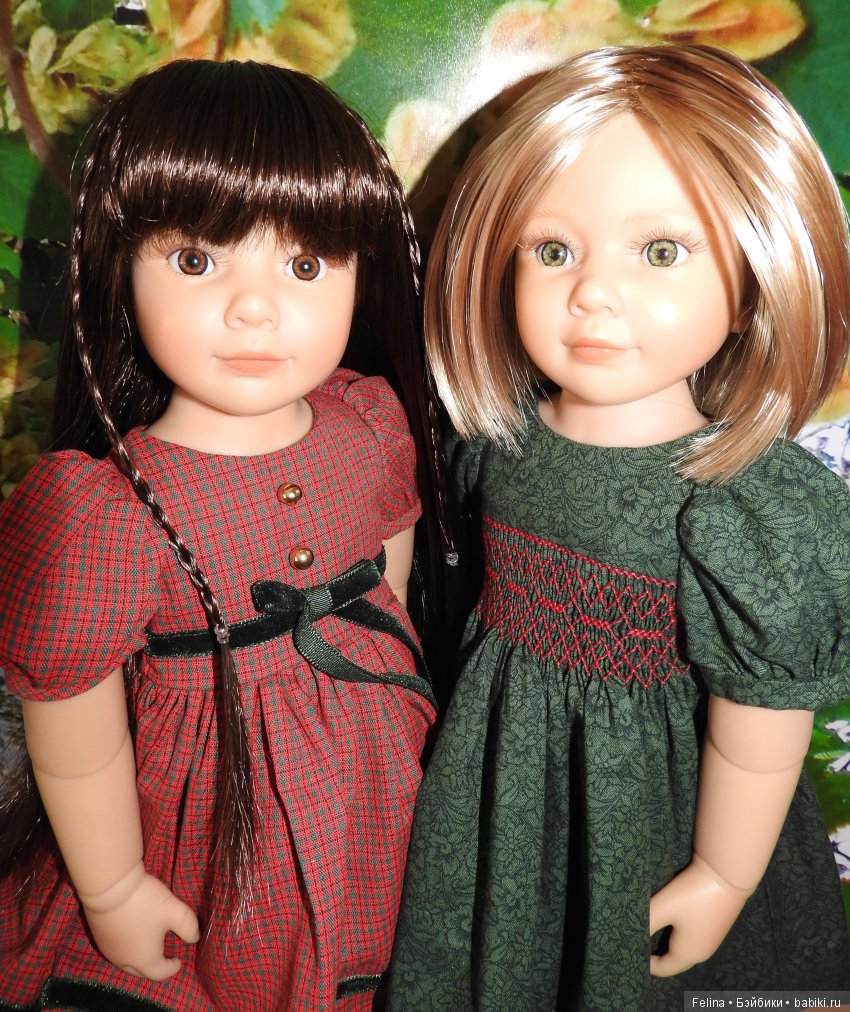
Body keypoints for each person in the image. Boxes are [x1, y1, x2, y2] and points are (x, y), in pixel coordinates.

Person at [387, 43, 850, 1010]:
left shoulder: (739, 506)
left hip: (662, 805)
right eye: (553, 251)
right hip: (502, 781)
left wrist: (723, 872)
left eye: (662, 252)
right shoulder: (499, 445)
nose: (592, 293)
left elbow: (759, 734)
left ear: (755, 275)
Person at [0, 58, 444, 1011]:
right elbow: (76, 732)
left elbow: (391, 587)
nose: (255, 308)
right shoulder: (109, 510)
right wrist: (113, 886)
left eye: (306, 265)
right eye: (197, 262)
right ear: (120, 266)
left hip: (380, 765)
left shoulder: (368, 425)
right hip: (215, 812)